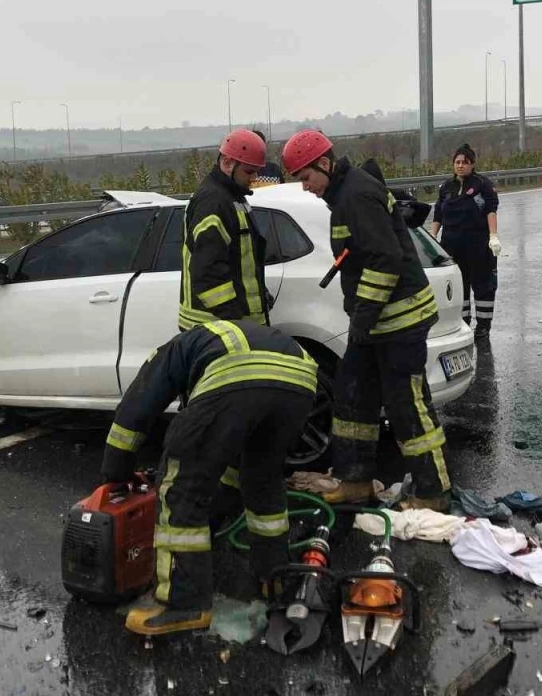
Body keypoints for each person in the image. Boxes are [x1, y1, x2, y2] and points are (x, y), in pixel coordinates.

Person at [102, 320, 318, 635]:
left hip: (237, 375)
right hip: (301, 380)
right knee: (263, 479)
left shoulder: (169, 353)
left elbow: (136, 411)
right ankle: (274, 575)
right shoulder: (214, 340)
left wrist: (115, 473)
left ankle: (184, 603)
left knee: (180, 486)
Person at [281, 129, 451, 512]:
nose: (305, 187)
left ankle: (432, 493)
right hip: (374, 325)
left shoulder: (356, 195)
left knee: (407, 406)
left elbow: (385, 260)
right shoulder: (343, 195)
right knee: (353, 398)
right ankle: (354, 481)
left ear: (324, 164)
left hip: (399, 322)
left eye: (306, 178)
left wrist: (364, 316)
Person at [179, 129, 270, 331]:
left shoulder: (232, 196)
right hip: (216, 327)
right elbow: (207, 271)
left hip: (227, 325)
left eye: (256, 171)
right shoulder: (213, 202)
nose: (254, 177)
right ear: (228, 164)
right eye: (249, 171)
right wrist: (234, 319)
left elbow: (242, 260)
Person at [431, 143, 500, 338]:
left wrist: (493, 236)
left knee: (483, 284)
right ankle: (463, 322)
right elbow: (438, 215)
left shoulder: (482, 184)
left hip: (477, 243)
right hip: (452, 245)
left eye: (465, 162)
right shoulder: (446, 187)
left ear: (472, 164)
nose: (460, 166)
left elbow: (490, 210)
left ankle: (484, 326)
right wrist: (432, 237)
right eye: (457, 162)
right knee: (459, 284)